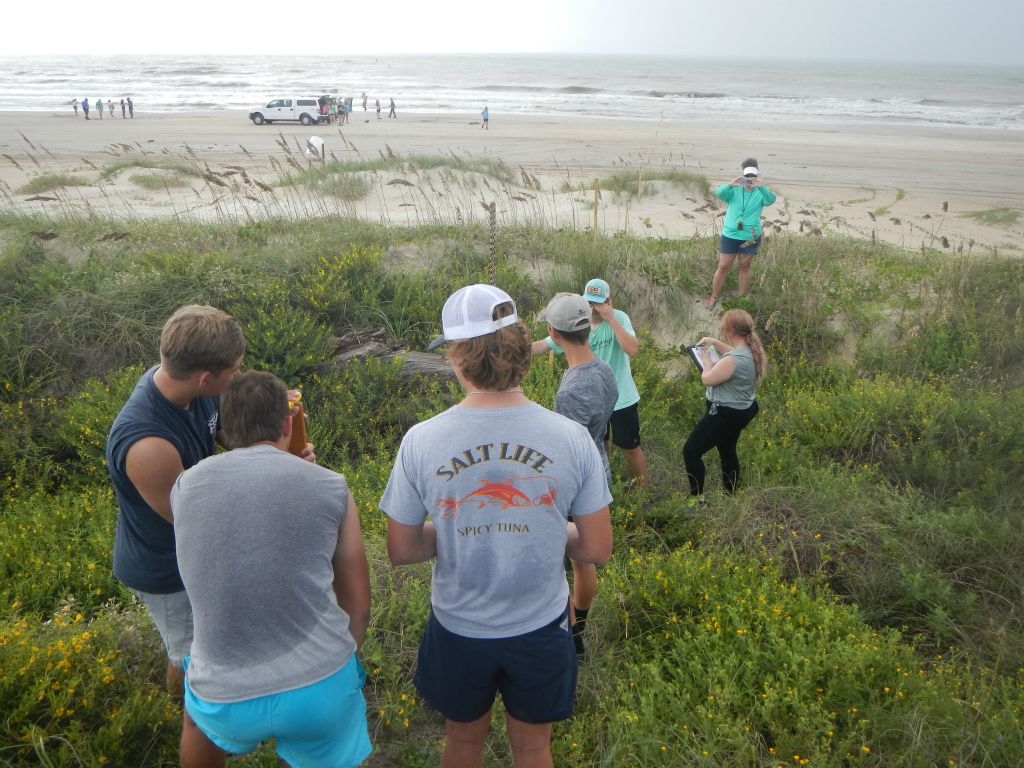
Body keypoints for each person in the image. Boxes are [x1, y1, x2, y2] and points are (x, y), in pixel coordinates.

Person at [382, 284, 613, 768]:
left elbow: (401, 549)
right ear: (520, 348)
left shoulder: (421, 440)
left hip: (458, 626)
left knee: (462, 743)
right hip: (541, 625)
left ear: (458, 358)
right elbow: (596, 547)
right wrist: (545, 527)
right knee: (533, 748)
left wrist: (451, 530)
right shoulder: (570, 439)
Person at [172, 371, 372, 768]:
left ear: (224, 430)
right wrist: (339, 662)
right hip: (319, 683)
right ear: (287, 424)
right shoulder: (331, 486)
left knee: (197, 725)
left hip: (223, 693)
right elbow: (358, 604)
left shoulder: (184, 486)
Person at [106, 306, 253, 696]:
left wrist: (273, 454)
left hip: (192, 552)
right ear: (206, 377)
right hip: (166, 569)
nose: (238, 375)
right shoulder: (148, 446)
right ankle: (182, 716)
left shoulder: (189, 388)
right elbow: (195, 520)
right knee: (190, 656)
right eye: (235, 369)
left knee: (200, 642)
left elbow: (222, 431)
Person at [538, 292, 617, 658]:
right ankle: (578, 628)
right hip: (600, 467)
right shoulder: (602, 369)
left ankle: (566, 632)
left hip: (576, 482)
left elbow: (568, 448)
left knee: (559, 562)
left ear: (554, 333)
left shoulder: (570, 390)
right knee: (583, 562)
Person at [532, 278, 649, 486]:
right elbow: (545, 344)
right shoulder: (580, 324)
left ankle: (642, 492)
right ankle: (606, 483)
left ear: (609, 301)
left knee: (631, 448)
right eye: (590, 302)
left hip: (622, 397)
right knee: (599, 444)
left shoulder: (619, 318)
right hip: (594, 397)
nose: (594, 308)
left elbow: (632, 349)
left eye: (598, 302)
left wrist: (611, 319)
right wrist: (508, 351)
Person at [683, 309, 767, 498]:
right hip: (742, 410)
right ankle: (730, 495)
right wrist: (714, 343)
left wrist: (706, 360)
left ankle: (696, 501)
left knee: (691, 451)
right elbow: (734, 353)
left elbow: (708, 379)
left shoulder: (732, 361)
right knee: (727, 450)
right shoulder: (752, 351)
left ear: (729, 330)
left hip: (724, 414)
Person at [706, 158, 777, 310]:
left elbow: (771, 200)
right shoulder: (734, 191)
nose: (749, 181)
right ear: (743, 176)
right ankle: (713, 296)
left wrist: (762, 187)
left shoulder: (760, 193)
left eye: (752, 177)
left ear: (756, 176)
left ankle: (742, 299)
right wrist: (731, 184)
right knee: (723, 266)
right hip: (730, 235)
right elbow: (718, 192)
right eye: (747, 177)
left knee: (745, 266)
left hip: (750, 237)